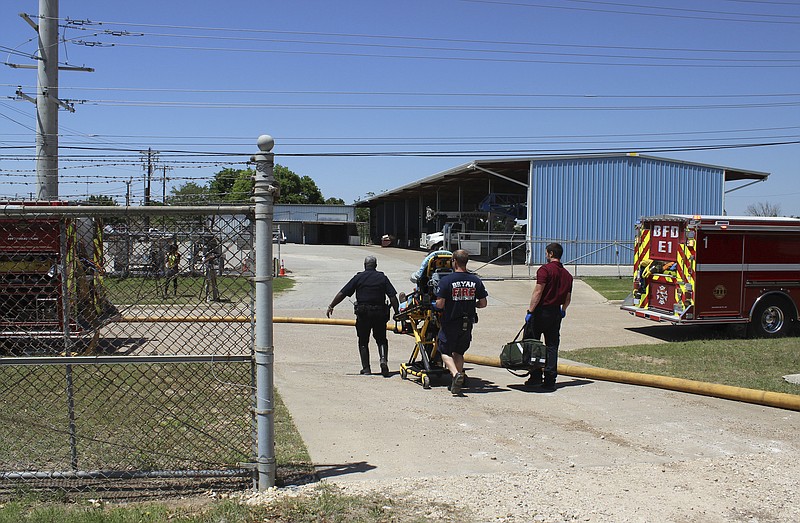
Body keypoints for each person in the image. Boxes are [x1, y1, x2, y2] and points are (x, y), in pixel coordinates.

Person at [327, 255, 400, 377]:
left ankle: (366, 368)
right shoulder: (382, 278)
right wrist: (397, 313)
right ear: (376, 266)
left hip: (363, 314)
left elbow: (343, 293)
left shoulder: (358, 278)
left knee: (363, 341)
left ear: (364, 265)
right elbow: (392, 296)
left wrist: (331, 305)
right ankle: (383, 360)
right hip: (380, 314)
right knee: (381, 339)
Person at [434, 249, 488, 396]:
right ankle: (455, 381)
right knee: (459, 352)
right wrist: (472, 305)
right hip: (467, 322)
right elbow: (483, 303)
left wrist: (433, 304)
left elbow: (440, 304)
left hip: (451, 322)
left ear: (454, 261)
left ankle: (456, 374)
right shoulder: (475, 280)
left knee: (444, 351)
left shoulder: (446, 281)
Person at [524, 242, 573, 392]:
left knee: (533, 344)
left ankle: (535, 376)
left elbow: (538, 291)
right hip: (555, 313)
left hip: (541, 311)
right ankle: (550, 379)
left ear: (551, 254)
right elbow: (568, 297)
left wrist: (530, 311)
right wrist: (563, 310)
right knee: (552, 345)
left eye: (546, 253)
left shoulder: (544, 270)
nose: (546, 256)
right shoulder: (567, 275)